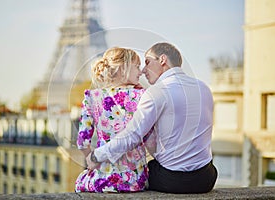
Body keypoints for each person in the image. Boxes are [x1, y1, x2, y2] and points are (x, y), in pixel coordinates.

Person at [86, 42, 218, 194]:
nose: (143, 70)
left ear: (162, 60)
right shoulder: (204, 88)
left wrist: (96, 155)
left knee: (140, 172)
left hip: (172, 181)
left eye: (148, 62)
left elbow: (132, 136)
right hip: (206, 179)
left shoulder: (157, 92)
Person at [75, 47, 149, 193]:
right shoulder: (142, 95)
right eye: (137, 67)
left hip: (104, 178)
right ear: (123, 69)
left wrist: (91, 159)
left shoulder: (91, 96)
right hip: (135, 180)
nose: (140, 72)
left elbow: (82, 142)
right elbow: (150, 138)